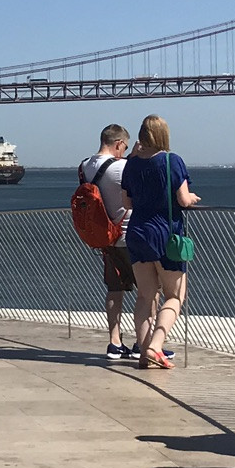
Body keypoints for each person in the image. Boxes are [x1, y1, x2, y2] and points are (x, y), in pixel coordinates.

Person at [120, 115, 199, 369]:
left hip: (137, 232)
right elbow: (184, 200)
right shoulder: (171, 161)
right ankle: (156, 346)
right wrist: (193, 198)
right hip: (165, 233)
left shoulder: (130, 165)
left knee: (144, 296)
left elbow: (126, 203)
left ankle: (144, 353)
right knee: (175, 296)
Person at [79, 124, 135, 358]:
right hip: (129, 235)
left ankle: (114, 342)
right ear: (119, 144)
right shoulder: (123, 167)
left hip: (105, 238)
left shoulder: (84, 166)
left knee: (114, 289)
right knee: (148, 292)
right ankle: (143, 343)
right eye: (125, 146)